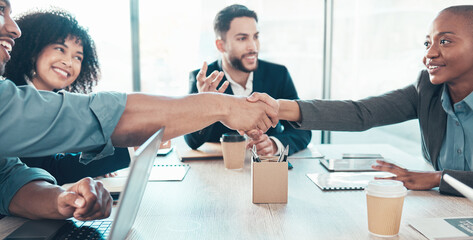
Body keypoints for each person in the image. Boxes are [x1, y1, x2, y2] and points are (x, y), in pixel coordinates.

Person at [0, 0, 278, 220]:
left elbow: (9, 179)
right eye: (1, 9)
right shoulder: (11, 101)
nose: (14, 28)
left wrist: (60, 199)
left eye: (77, 56)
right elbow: (106, 119)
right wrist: (215, 107)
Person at [247, 5, 473, 197]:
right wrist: (277, 108)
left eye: (444, 41)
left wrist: (437, 178)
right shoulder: (428, 90)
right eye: (427, 44)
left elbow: (441, 179)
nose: (429, 54)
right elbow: (361, 113)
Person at [3, 9, 130, 185]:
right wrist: (125, 151)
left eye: (78, 57)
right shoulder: (13, 98)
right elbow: (48, 170)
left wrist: (99, 164)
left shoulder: (52, 100)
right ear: (33, 50)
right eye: (60, 49)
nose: (69, 62)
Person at [184, 4, 311, 156]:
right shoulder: (203, 79)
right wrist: (205, 104)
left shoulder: (278, 75)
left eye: (255, 37)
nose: (253, 46)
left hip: (266, 169)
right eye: (242, 38)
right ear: (221, 45)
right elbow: (192, 142)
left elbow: (302, 131)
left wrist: (274, 145)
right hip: (220, 168)